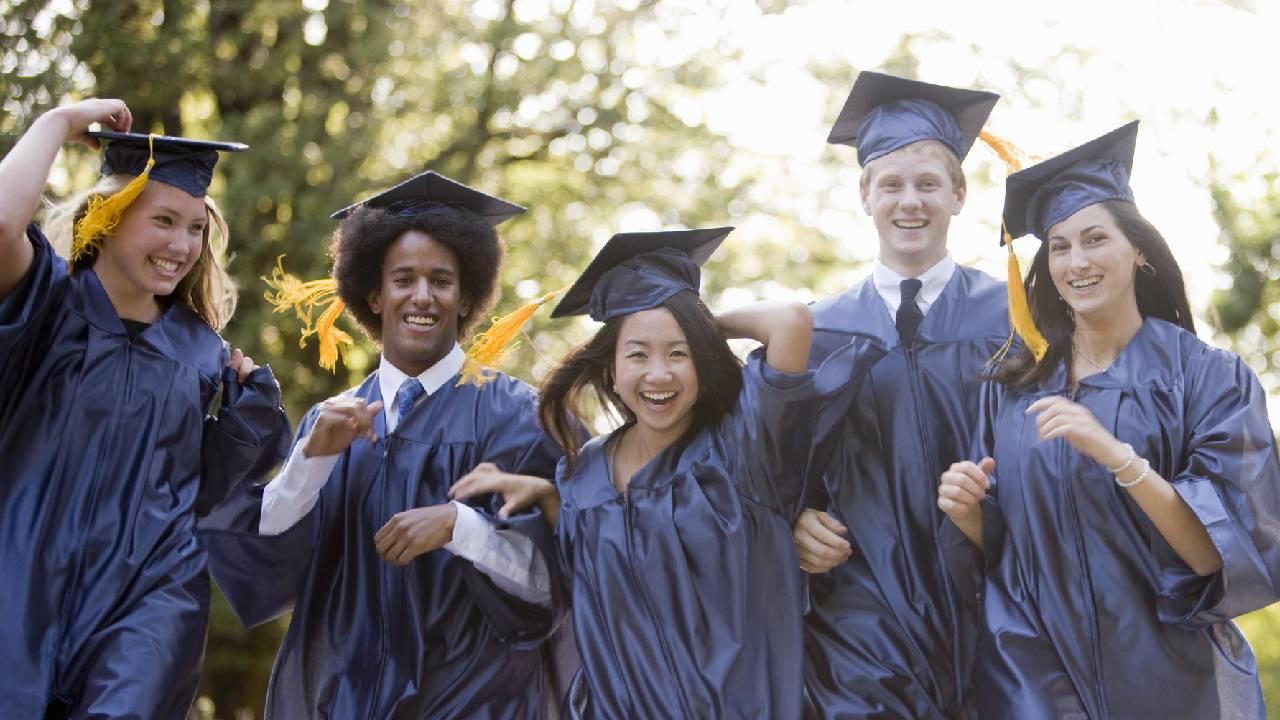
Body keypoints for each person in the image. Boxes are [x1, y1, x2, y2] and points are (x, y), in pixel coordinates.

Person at [938, 121, 1280, 719]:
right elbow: (1010, 546)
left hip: (1170, 679)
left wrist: (1117, 456)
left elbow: (1217, 556)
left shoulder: (1206, 378)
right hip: (1033, 674)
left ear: (1138, 249)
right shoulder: (1012, 386)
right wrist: (968, 511)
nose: (1077, 261)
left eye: (1096, 238)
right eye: (1061, 246)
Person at [200, 170, 569, 719]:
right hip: (341, 699)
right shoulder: (335, 421)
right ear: (373, 293)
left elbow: (548, 584)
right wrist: (311, 458)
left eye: (441, 280)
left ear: (467, 295)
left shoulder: (516, 416)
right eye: (404, 279)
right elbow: (267, 564)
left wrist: (460, 525)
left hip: (472, 700)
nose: (422, 296)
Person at [0, 99, 290, 717]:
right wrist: (57, 122)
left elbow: (202, 491)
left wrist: (245, 420)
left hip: (151, 597)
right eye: (164, 219)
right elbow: (2, 224)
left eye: (196, 228)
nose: (182, 244)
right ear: (109, 214)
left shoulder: (201, 353)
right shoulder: (44, 306)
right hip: (19, 580)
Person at [537, 227, 884, 718]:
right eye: (638, 354)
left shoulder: (744, 447)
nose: (659, 373)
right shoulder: (581, 474)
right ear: (611, 369)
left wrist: (698, 322)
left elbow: (790, 321)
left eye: (679, 353)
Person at [792, 71, 1010, 718]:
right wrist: (792, 524)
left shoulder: (1017, 322)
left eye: (927, 184)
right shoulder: (816, 331)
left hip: (993, 617)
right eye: (890, 184)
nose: (908, 201)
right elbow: (763, 470)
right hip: (858, 635)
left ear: (960, 194)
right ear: (865, 195)